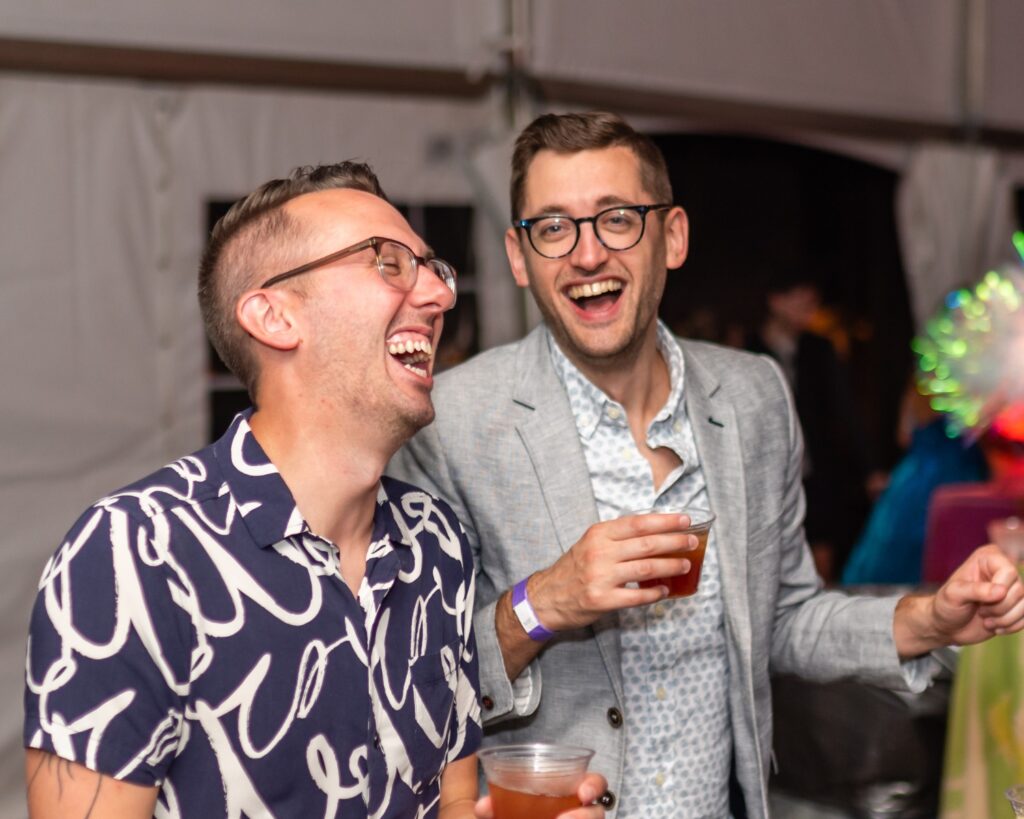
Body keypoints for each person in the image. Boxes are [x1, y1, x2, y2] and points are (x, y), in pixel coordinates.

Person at [388, 112, 1024, 818]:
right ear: (518, 255)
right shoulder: (455, 419)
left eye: (617, 218)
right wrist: (547, 601)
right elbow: (414, 678)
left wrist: (928, 618)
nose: (587, 254)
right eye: (553, 227)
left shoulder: (752, 397)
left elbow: (784, 617)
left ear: (674, 236)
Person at [22, 161, 606, 819]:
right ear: (274, 315)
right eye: (388, 263)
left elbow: (449, 804)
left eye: (433, 269)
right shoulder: (133, 554)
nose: (441, 296)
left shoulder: (435, 541)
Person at [745, 276, 884, 581]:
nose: (810, 311)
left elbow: (846, 410)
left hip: (817, 468)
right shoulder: (749, 350)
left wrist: (870, 468)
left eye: (813, 304)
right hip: (766, 470)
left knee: (822, 553)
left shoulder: (819, 348)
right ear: (777, 301)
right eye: (802, 303)